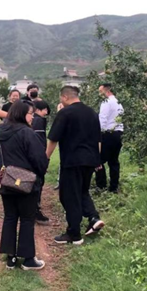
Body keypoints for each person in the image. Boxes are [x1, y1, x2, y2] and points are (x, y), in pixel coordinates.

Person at [46, 86, 105, 245]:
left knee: (69, 196)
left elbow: (53, 138)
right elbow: (98, 140)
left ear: (65, 97)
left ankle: (74, 234)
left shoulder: (65, 113)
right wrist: (97, 160)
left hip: (72, 161)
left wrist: (45, 159)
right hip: (90, 160)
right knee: (82, 191)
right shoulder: (92, 113)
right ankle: (93, 218)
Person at [0, 100, 49, 270]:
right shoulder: (27, 133)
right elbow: (39, 159)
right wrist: (40, 174)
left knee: (10, 217)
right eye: (30, 114)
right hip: (26, 182)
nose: (32, 117)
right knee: (27, 219)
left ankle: (10, 258)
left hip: (7, 180)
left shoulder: (0, 131)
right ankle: (28, 259)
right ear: (22, 114)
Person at [96, 83, 124, 193]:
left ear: (106, 91)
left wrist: (98, 134)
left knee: (99, 160)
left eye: (100, 92)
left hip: (108, 133)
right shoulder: (119, 102)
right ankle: (114, 187)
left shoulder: (106, 102)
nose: (99, 94)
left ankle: (101, 185)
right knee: (114, 161)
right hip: (119, 133)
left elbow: (102, 119)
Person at [32, 100, 50, 225]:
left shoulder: (37, 120)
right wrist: (43, 158)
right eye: (45, 110)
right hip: (37, 156)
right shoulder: (38, 121)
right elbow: (39, 141)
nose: (46, 112)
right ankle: (35, 211)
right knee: (37, 182)